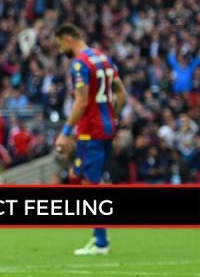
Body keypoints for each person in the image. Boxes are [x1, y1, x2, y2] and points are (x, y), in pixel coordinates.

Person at [54, 23, 127, 256]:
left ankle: (101, 242)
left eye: (59, 45)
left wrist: (66, 132)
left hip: (90, 131)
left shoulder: (80, 64)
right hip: (106, 128)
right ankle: (100, 237)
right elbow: (121, 93)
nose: (60, 51)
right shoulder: (102, 58)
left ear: (68, 40)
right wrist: (112, 118)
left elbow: (82, 101)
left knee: (89, 183)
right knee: (83, 177)